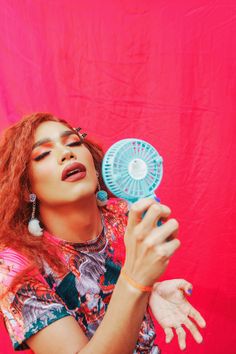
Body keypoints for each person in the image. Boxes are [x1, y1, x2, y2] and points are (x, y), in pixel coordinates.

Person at [0, 112, 206, 354]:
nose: (67, 153)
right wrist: (137, 282)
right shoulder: (13, 266)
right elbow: (132, 280)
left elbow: (123, 286)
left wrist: (150, 291)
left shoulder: (121, 217)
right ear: (26, 189)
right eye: (43, 154)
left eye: (74, 143)